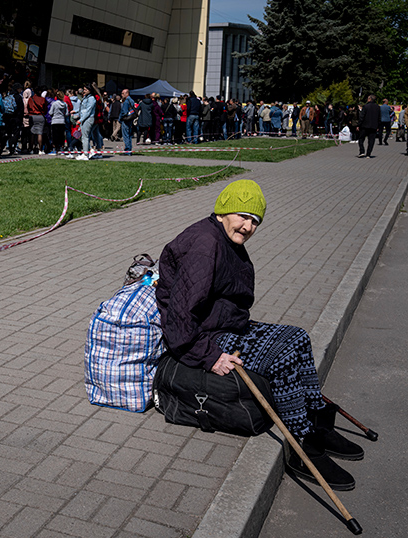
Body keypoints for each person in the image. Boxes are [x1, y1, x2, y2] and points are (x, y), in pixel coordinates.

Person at [155, 179, 364, 491]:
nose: (248, 226)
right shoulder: (204, 245)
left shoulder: (223, 238)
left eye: (255, 221)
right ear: (223, 211)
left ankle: (317, 422)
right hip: (206, 335)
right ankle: (300, 445)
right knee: (281, 357)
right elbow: (181, 313)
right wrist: (208, 356)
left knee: (297, 337)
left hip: (225, 323)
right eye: (242, 216)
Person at [76, 84, 96, 161]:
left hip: (88, 119)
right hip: (84, 118)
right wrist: (76, 112)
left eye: (85, 89)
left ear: (90, 90)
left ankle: (85, 154)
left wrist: (80, 120)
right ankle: (90, 150)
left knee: (85, 137)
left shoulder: (91, 98)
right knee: (82, 136)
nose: (84, 91)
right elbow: (83, 109)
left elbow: (88, 111)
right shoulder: (86, 97)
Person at [48, 90, 68, 154]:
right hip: (62, 121)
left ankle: (54, 148)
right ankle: (61, 148)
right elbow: (67, 113)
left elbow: (50, 112)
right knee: (61, 135)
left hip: (55, 121)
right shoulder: (65, 104)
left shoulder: (54, 103)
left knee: (54, 136)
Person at [119, 88, 135, 153]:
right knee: (129, 135)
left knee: (125, 135)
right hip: (130, 119)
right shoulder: (131, 100)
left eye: (123, 93)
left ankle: (127, 150)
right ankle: (129, 149)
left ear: (127, 93)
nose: (121, 95)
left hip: (125, 120)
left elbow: (124, 112)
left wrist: (121, 118)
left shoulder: (126, 101)